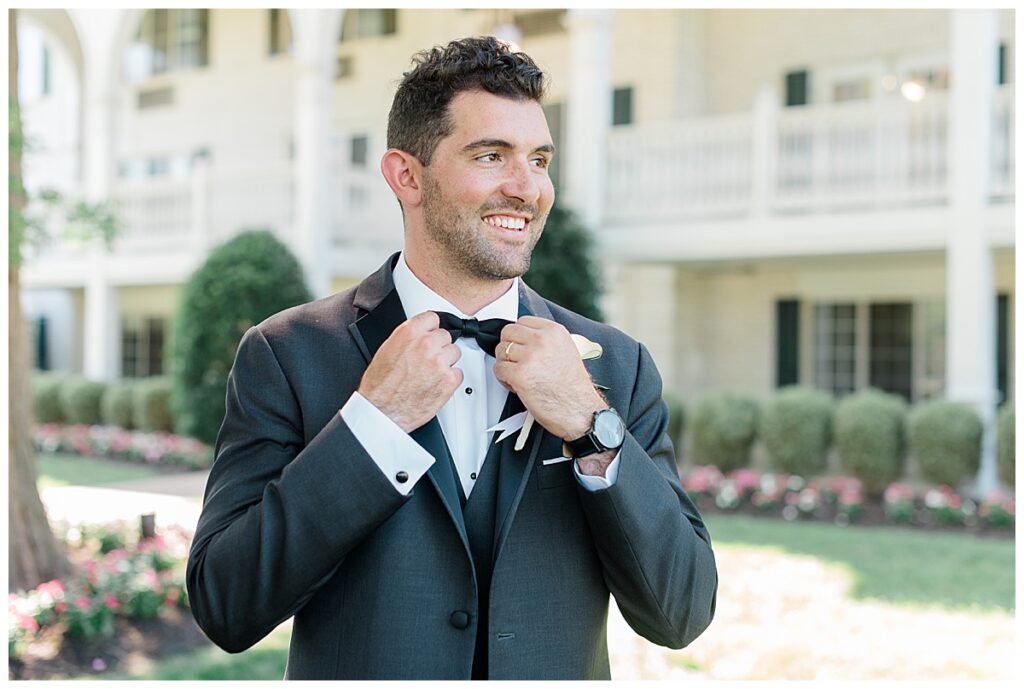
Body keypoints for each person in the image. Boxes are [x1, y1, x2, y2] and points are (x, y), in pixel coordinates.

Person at [186, 35, 717, 680]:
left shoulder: (616, 367)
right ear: (406, 175)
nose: (527, 188)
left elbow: (681, 612)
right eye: (491, 155)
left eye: (540, 159)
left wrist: (588, 421)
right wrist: (372, 427)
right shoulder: (286, 353)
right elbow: (226, 606)